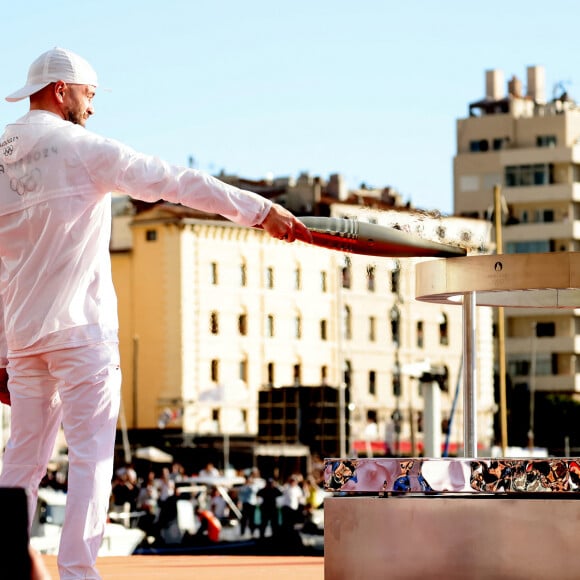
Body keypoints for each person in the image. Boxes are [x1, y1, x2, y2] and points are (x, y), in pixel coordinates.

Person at [0, 46, 311, 580]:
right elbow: (173, 180)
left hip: (24, 337)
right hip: (81, 330)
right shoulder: (80, 147)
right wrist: (259, 210)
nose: (92, 108)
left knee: (20, 465)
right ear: (61, 89)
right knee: (92, 459)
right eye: (89, 94)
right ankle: (77, 573)